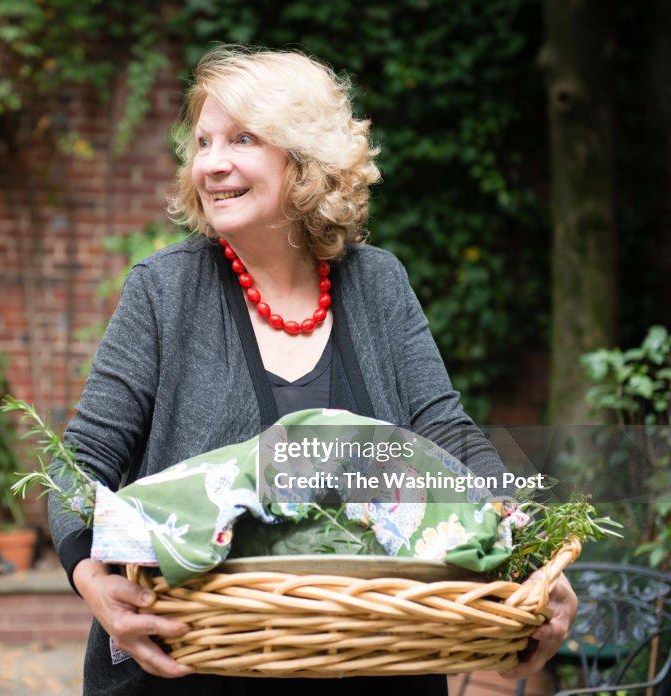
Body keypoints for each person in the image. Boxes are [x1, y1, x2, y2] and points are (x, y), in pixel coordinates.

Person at [49, 46, 577, 695]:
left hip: (379, 662)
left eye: (242, 139)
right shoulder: (164, 291)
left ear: (303, 157)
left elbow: (448, 434)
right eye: (204, 141)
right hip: (195, 665)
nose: (211, 163)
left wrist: (537, 557)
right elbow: (79, 464)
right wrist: (89, 576)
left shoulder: (378, 283)